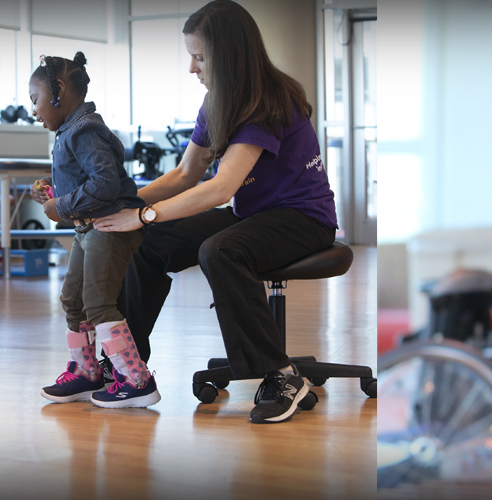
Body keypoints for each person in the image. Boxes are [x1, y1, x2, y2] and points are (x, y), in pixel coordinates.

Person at [92, 0, 337, 424]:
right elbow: (187, 173)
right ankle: (128, 367)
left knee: (220, 250)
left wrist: (146, 213)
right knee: (145, 241)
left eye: (199, 57)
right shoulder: (217, 103)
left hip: (303, 219)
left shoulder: (266, 100)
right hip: (255, 216)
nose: (192, 67)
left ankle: (281, 376)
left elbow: (221, 188)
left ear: (230, 56)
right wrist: (126, 206)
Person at [27, 52, 157, 408]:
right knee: (73, 300)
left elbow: (105, 184)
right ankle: (87, 373)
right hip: (89, 228)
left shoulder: (85, 129)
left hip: (110, 227)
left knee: (98, 304)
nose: (34, 110)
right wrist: (52, 194)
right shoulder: (70, 129)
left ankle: (136, 380)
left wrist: (61, 207)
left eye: (35, 100)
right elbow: (87, 181)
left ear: (60, 91)